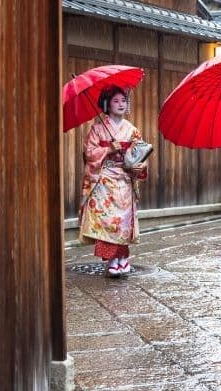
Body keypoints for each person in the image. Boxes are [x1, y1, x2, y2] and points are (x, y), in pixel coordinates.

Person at [79, 85, 148, 277]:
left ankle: (122, 258)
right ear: (107, 105)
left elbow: (141, 154)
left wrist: (139, 166)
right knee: (107, 220)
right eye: (115, 101)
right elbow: (89, 153)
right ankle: (112, 260)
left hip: (124, 178)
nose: (120, 104)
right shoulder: (97, 129)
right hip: (104, 180)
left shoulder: (132, 130)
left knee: (123, 222)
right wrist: (108, 149)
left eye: (123, 101)